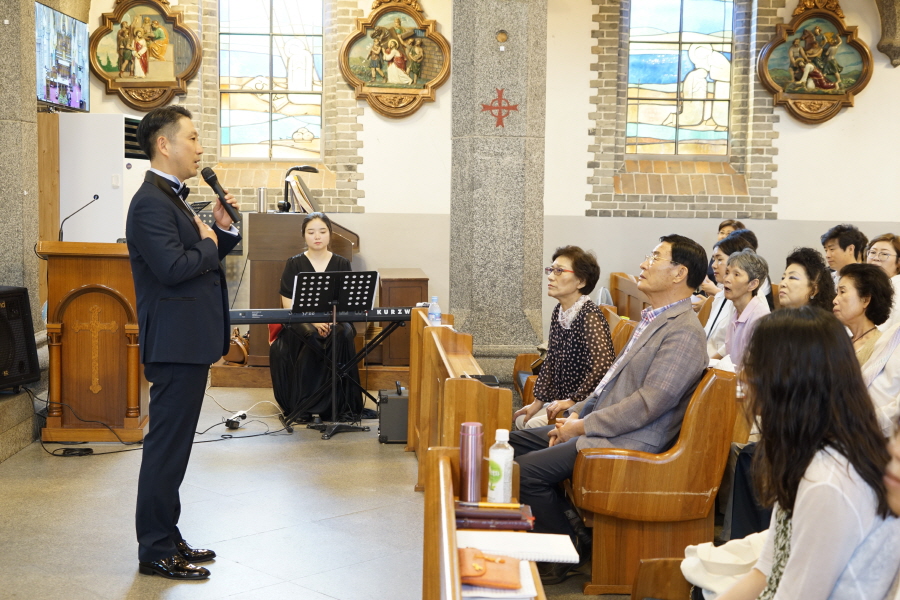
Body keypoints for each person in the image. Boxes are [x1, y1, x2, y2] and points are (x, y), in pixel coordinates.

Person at [510, 234, 709, 585]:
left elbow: (649, 403)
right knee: (511, 444)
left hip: (632, 441)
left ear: (679, 273)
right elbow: (608, 385)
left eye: (654, 257)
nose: (644, 264)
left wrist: (582, 426)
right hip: (607, 426)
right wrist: (576, 415)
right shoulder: (654, 319)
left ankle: (563, 552)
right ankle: (571, 527)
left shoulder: (684, 331)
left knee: (525, 472)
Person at [127, 106, 241, 580]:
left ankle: (168, 535)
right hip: (174, 344)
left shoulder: (171, 199)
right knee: (166, 448)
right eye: (191, 138)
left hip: (187, 342)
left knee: (176, 449)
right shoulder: (150, 203)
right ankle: (154, 548)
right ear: (164, 144)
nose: (199, 147)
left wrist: (221, 230)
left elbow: (198, 256)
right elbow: (175, 268)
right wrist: (210, 243)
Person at [717, 307, 900, 600]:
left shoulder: (828, 480)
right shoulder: (810, 453)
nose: (746, 376)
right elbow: (766, 570)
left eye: (755, 365)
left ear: (788, 380)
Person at [268, 212, 362, 422]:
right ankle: (304, 405)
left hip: (335, 318)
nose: (317, 236)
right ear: (304, 235)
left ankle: (337, 406)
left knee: (341, 332)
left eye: (322, 231)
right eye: (311, 232)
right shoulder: (294, 263)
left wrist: (330, 321)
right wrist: (313, 321)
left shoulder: (341, 263)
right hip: (302, 319)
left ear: (330, 234)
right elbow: (287, 303)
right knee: (310, 334)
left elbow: (347, 303)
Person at [513, 246, 615, 430]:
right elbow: (551, 359)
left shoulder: (589, 316)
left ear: (581, 281)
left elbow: (603, 367)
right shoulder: (559, 311)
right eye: (551, 270)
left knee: (531, 426)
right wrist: (537, 401)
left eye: (559, 271)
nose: (551, 277)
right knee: (522, 420)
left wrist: (573, 400)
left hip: (584, 406)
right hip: (561, 399)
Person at [706, 232, 756, 360]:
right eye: (713, 259)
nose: (713, 265)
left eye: (719, 259)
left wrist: (708, 364)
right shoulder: (720, 295)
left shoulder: (749, 298)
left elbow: (733, 345)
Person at [833, 263, 892, 366]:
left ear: (865, 300)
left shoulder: (880, 346)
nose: (834, 300)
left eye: (842, 292)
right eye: (836, 293)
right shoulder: (840, 341)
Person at [722, 248, 770, 368]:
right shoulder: (736, 313)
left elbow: (755, 369)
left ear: (752, 284)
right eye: (727, 272)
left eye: (736, 274)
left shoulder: (760, 320)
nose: (727, 279)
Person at [777, 247, 835, 311]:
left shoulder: (821, 317)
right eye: (783, 278)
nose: (782, 284)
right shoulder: (778, 316)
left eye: (792, 277)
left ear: (814, 290)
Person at [701, 219, 745, 294]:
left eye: (729, 233)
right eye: (721, 233)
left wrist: (715, 291)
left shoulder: (743, 260)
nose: (723, 236)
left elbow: (737, 296)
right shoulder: (716, 254)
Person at [867, 234, 900, 332]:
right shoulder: (869, 285)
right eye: (872, 252)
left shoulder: (897, 288)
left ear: (898, 262)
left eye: (884, 254)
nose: (876, 258)